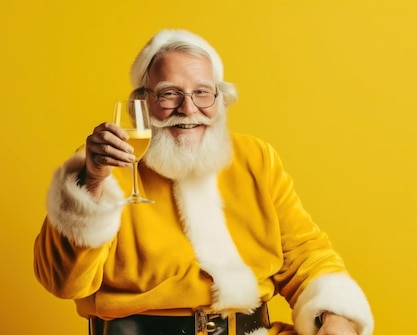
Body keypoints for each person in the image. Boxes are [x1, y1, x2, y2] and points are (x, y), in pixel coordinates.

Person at [33, 29, 374, 335]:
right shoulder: (105, 164)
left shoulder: (256, 157)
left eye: (202, 93)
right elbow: (63, 283)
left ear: (219, 100)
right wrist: (92, 183)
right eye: (169, 94)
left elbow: (305, 254)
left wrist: (335, 315)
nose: (188, 108)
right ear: (142, 102)